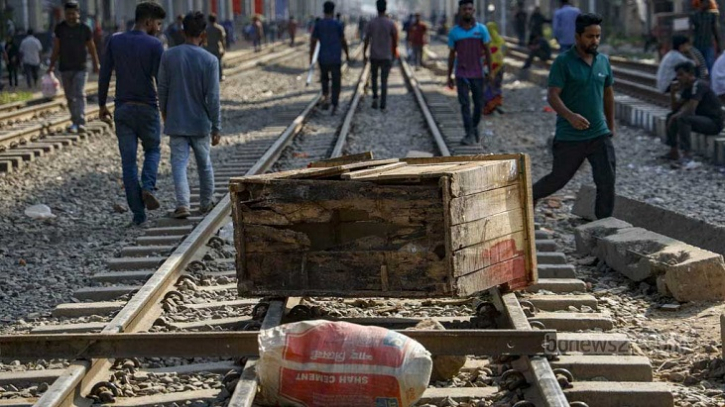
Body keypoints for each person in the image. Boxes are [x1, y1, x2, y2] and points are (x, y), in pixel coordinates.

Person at [532, 13, 616, 220]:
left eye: (597, 36)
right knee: (558, 179)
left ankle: (603, 227)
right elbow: (553, 96)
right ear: (577, 37)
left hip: (598, 134)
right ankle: (530, 196)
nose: (595, 41)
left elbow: (608, 94)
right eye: (590, 36)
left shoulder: (603, 62)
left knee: (607, 181)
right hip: (570, 136)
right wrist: (570, 116)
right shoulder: (563, 62)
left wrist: (610, 125)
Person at [98, 2, 166, 226]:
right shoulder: (155, 45)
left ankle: (138, 214)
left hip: (123, 109)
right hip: (147, 107)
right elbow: (161, 80)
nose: (158, 28)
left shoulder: (115, 40)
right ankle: (147, 186)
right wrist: (165, 108)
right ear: (147, 22)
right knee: (153, 150)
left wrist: (102, 105)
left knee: (128, 163)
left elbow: (105, 74)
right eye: (157, 23)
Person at [158, 11, 222, 219]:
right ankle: (205, 203)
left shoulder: (169, 56)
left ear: (182, 31)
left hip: (176, 119)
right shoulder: (210, 60)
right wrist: (216, 126)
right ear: (203, 34)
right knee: (204, 164)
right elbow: (212, 98)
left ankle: (183, 204)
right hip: (200, 122)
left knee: (178, 163)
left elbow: (162, 89)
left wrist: (165, 113)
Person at [48, 1, 100, 134]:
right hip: (65, 67)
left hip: (81, 67)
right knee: (70, 96)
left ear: (78, 13)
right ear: (65, 14)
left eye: (73, 13)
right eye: (68, 14)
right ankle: (75, 120)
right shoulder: (60, 28)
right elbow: (56, 48)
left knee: (79, 93)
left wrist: (96, 64)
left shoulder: (84, 28)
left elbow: (91, 47)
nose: (71, 16)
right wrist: (51, 66)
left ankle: (80, 122)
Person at [446, 0, 492, 146]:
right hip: (461, 74)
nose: (467, 11)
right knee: (464, 104)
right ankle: (469, 133)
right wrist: (449, 75)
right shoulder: (454, 32)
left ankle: (473, 127)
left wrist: (490, 72)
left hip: (478, 73)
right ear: (460, 11)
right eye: (464, 9)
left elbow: (488, 52)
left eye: (469, 9)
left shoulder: (482, 30)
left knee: (478, 104)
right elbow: (452, 55)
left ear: (473, 11)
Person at [664, 62, 723, 162]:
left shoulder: (699, 85)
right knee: (671, 115)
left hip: (713, 123)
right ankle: (673, 151)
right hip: (702, 120)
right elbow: (675, 108)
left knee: (682, 118)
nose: (678, 78)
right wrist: (673, 93)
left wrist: (676, 116)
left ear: (690, 74)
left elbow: (691, 109)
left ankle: (687, 154)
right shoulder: (688, 87)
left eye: (681, 74)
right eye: (677, 75)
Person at [311, 1, 350, 115]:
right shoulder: (338, 24)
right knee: (336, 81)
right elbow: (343, 41)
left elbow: (313, 42)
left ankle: (326, 97)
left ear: (324, 11)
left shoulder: (319, 24)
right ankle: (334, 104)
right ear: (333, 11)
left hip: (323, 57)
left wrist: (311, 57)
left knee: (324, 79)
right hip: (335, 57)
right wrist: (347, 54)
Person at [364, 0, 397, 112]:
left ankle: (374, 97)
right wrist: (394, 53)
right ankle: (383, 103)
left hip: (374, 55)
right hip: (386, 55)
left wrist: (364, 53)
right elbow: (395, 39)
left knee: (374, 78)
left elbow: (366, 39)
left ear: (376, 8)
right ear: (385, 8)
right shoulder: (390, 23)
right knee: (384, 80)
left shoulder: (371, 23)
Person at [690, 0, 720, 73]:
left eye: (708, 2)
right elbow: (691, 31)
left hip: (708, 44)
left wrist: (718, 43)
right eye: (704, 2)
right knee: (699, 65)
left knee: (710, 64)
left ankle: (712, 81)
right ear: (701, 3)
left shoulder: (712, 16)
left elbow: (715, 30)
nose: (706, 4)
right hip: (697, 44)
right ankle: (699, 82)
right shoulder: (695, 16)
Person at [483, 22, 506, 115]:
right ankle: (496, 104)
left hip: (487, 68)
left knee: (487, 87)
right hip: (499, 67)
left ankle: (488, 106)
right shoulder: (500, 40)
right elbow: (504, 51)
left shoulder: (484, 40)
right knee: (497, 86)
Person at [205, 13, 227, 82]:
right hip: (217, 47)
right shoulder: (219, 28)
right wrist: (224, 48)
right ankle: (220, 76)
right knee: (218, 62)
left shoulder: (206, 29)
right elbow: (222, 39)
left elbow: (203, 39)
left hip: (208, 47)